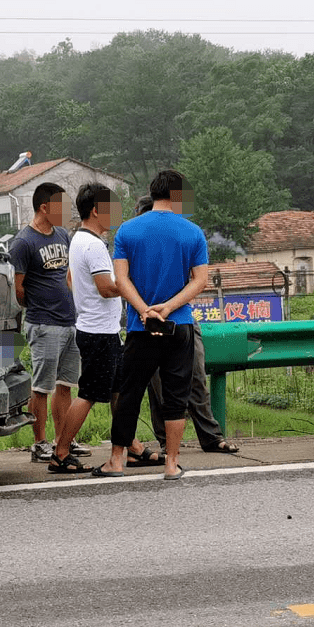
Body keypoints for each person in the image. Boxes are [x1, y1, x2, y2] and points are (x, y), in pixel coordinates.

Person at [94, 169, 209, 480]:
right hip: (180, 325)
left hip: (140, 327)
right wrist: (170, 306)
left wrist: (145, 310)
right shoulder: (193, 232)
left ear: (154, 193)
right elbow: (200, 280)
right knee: (176, 396)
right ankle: (171, 464)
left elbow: (121, 279)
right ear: (177, 195)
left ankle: (117, 461)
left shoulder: (127, 232)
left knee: (130, 392)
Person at [49, 183, 164, 472]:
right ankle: (60, 453)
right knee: (88, 394)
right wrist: (131, 287)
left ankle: (133, 447)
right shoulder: (95, 245)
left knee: (118, 393)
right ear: (96, 210)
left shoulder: (78, 239)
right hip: (99, 333)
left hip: (96, 328)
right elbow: (106, 288)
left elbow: (74, 281)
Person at [133, 195, 239, 455]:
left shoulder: (182, 238)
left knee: (196, 378)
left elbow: (197, 278)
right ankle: (166, 443)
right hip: (147, 321)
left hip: (183, 319)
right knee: (158, 388)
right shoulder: (133, 242)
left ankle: (211, 437)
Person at [9, 182, 90, 463]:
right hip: (44, 323)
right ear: (45, 207)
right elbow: (18, 289)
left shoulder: (63, 235)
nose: (66, 211)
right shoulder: (23, 242)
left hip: (69, 322)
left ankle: (63, 439)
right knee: (42, 386)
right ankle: (39, 442)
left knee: (65, 384)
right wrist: (40, 307)